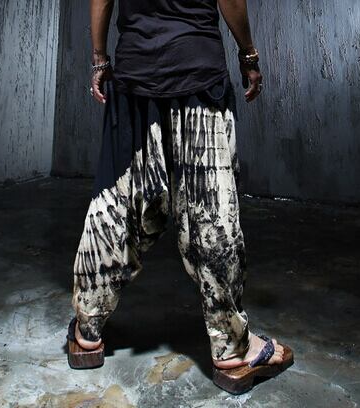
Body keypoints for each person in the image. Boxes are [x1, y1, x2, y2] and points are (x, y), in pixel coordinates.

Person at [66, 0, 293, 394]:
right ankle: (232, 349)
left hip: (137, 73)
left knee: (117, 208)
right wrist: (248, 53)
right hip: (197, 69)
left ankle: (87, 329)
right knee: (211, 212)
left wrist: (99, 59)